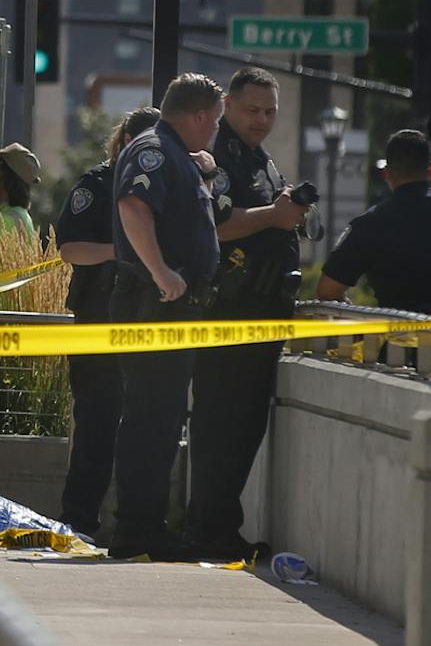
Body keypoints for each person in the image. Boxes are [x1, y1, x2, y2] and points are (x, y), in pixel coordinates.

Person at [184, 68, 310, 559]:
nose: (262, 119)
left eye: (270, 112)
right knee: (220, 423)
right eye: (253, 110)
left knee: (247, 425)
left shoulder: (263, 162)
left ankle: (220, 526)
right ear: (230, 107)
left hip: (265, 311)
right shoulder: (218, 159)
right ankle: (206, 529)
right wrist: (274, 217)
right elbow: (215, 224)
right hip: (229, 312)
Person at [106, 73, 225, 561]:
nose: (215, 131)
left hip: (170, 307)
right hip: (153, 304)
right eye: (215, 122)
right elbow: (134, 206)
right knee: (150, 417)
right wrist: (161, 272)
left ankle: (146, 524)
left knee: (161, 416)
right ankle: (137, 529)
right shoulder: (154, 149)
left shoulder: (178, 154)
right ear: (198, 116)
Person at [52, 105, 162, 541]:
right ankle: (79, 522)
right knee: (97, 426)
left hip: (148, 321)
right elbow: (69, 248)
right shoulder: (97, 184)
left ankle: (139, 526)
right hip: (99, 321)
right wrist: (122, 249)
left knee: (145, 429)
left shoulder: (160, 186)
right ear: (125, 142)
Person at [318, 129, 431, 316]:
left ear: (386, 174)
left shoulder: (367, 225)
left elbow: (328, 291)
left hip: (395, 340)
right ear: (430, 169)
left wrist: (363, 326)